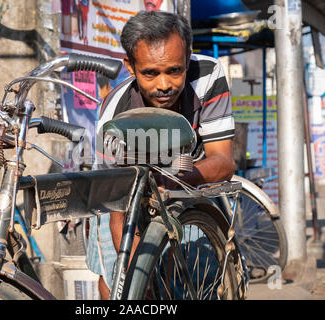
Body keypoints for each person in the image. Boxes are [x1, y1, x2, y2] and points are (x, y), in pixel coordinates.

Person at [86, 11, 235, 300]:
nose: (164, 84)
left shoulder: (207, 75)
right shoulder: (115, 116)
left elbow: (223, 161)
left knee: (193, 277)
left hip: (191, 177)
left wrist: (171, 183)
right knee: (119, 279)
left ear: (188, 56)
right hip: (124, 191)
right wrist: (137, 276)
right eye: (151, 73)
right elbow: (118, 210)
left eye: (174, 70)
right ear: (130, 66)